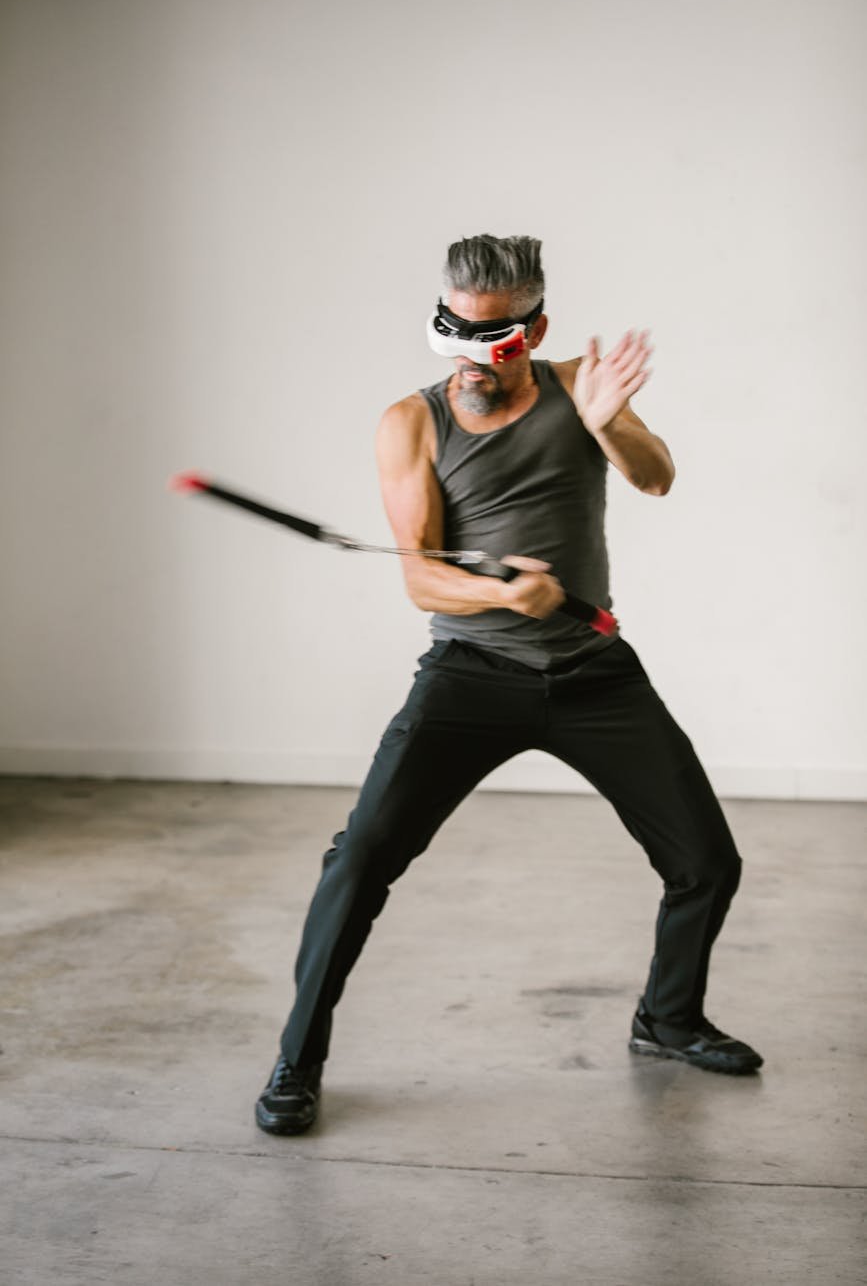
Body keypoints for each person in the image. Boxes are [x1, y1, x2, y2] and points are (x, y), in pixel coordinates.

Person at [255, 234, 763, 1136]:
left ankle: (667, 1018)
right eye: (453, 330)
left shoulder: (579, 385)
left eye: (494, 336)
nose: (472, 355)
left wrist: (606, 422)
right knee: (359, 860)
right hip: (470, 676)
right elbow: (420, 578)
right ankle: (298, 1058)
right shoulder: (410, 422)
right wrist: (504, 593)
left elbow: (656, 479)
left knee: (706, 863)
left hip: (593, 674)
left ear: (534, 329)